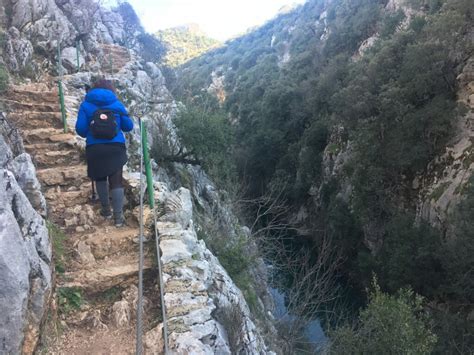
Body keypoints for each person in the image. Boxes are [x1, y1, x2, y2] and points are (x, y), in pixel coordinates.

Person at [75, 79, 133, 227]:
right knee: (116, 181)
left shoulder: (86, 104)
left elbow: (80, 130)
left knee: (100, 178)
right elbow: (128, 126)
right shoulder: (117, 104)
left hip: (95, 148)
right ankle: (118, 219)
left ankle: (106, 211)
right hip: (116, 147)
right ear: (111, 90)